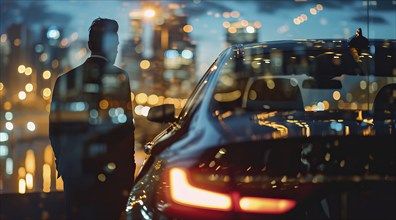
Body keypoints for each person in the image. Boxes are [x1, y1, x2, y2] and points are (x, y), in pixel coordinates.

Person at [49, 18, 136, 220]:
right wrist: (127, 176)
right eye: (115, 46)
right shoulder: (119, 78)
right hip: (110, 176)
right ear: (113, 47)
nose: (115, 51)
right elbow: (125, 131)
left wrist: (64, 164)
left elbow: (55, 129)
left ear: (89, 46)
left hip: (75, 171)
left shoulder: (65, 80)